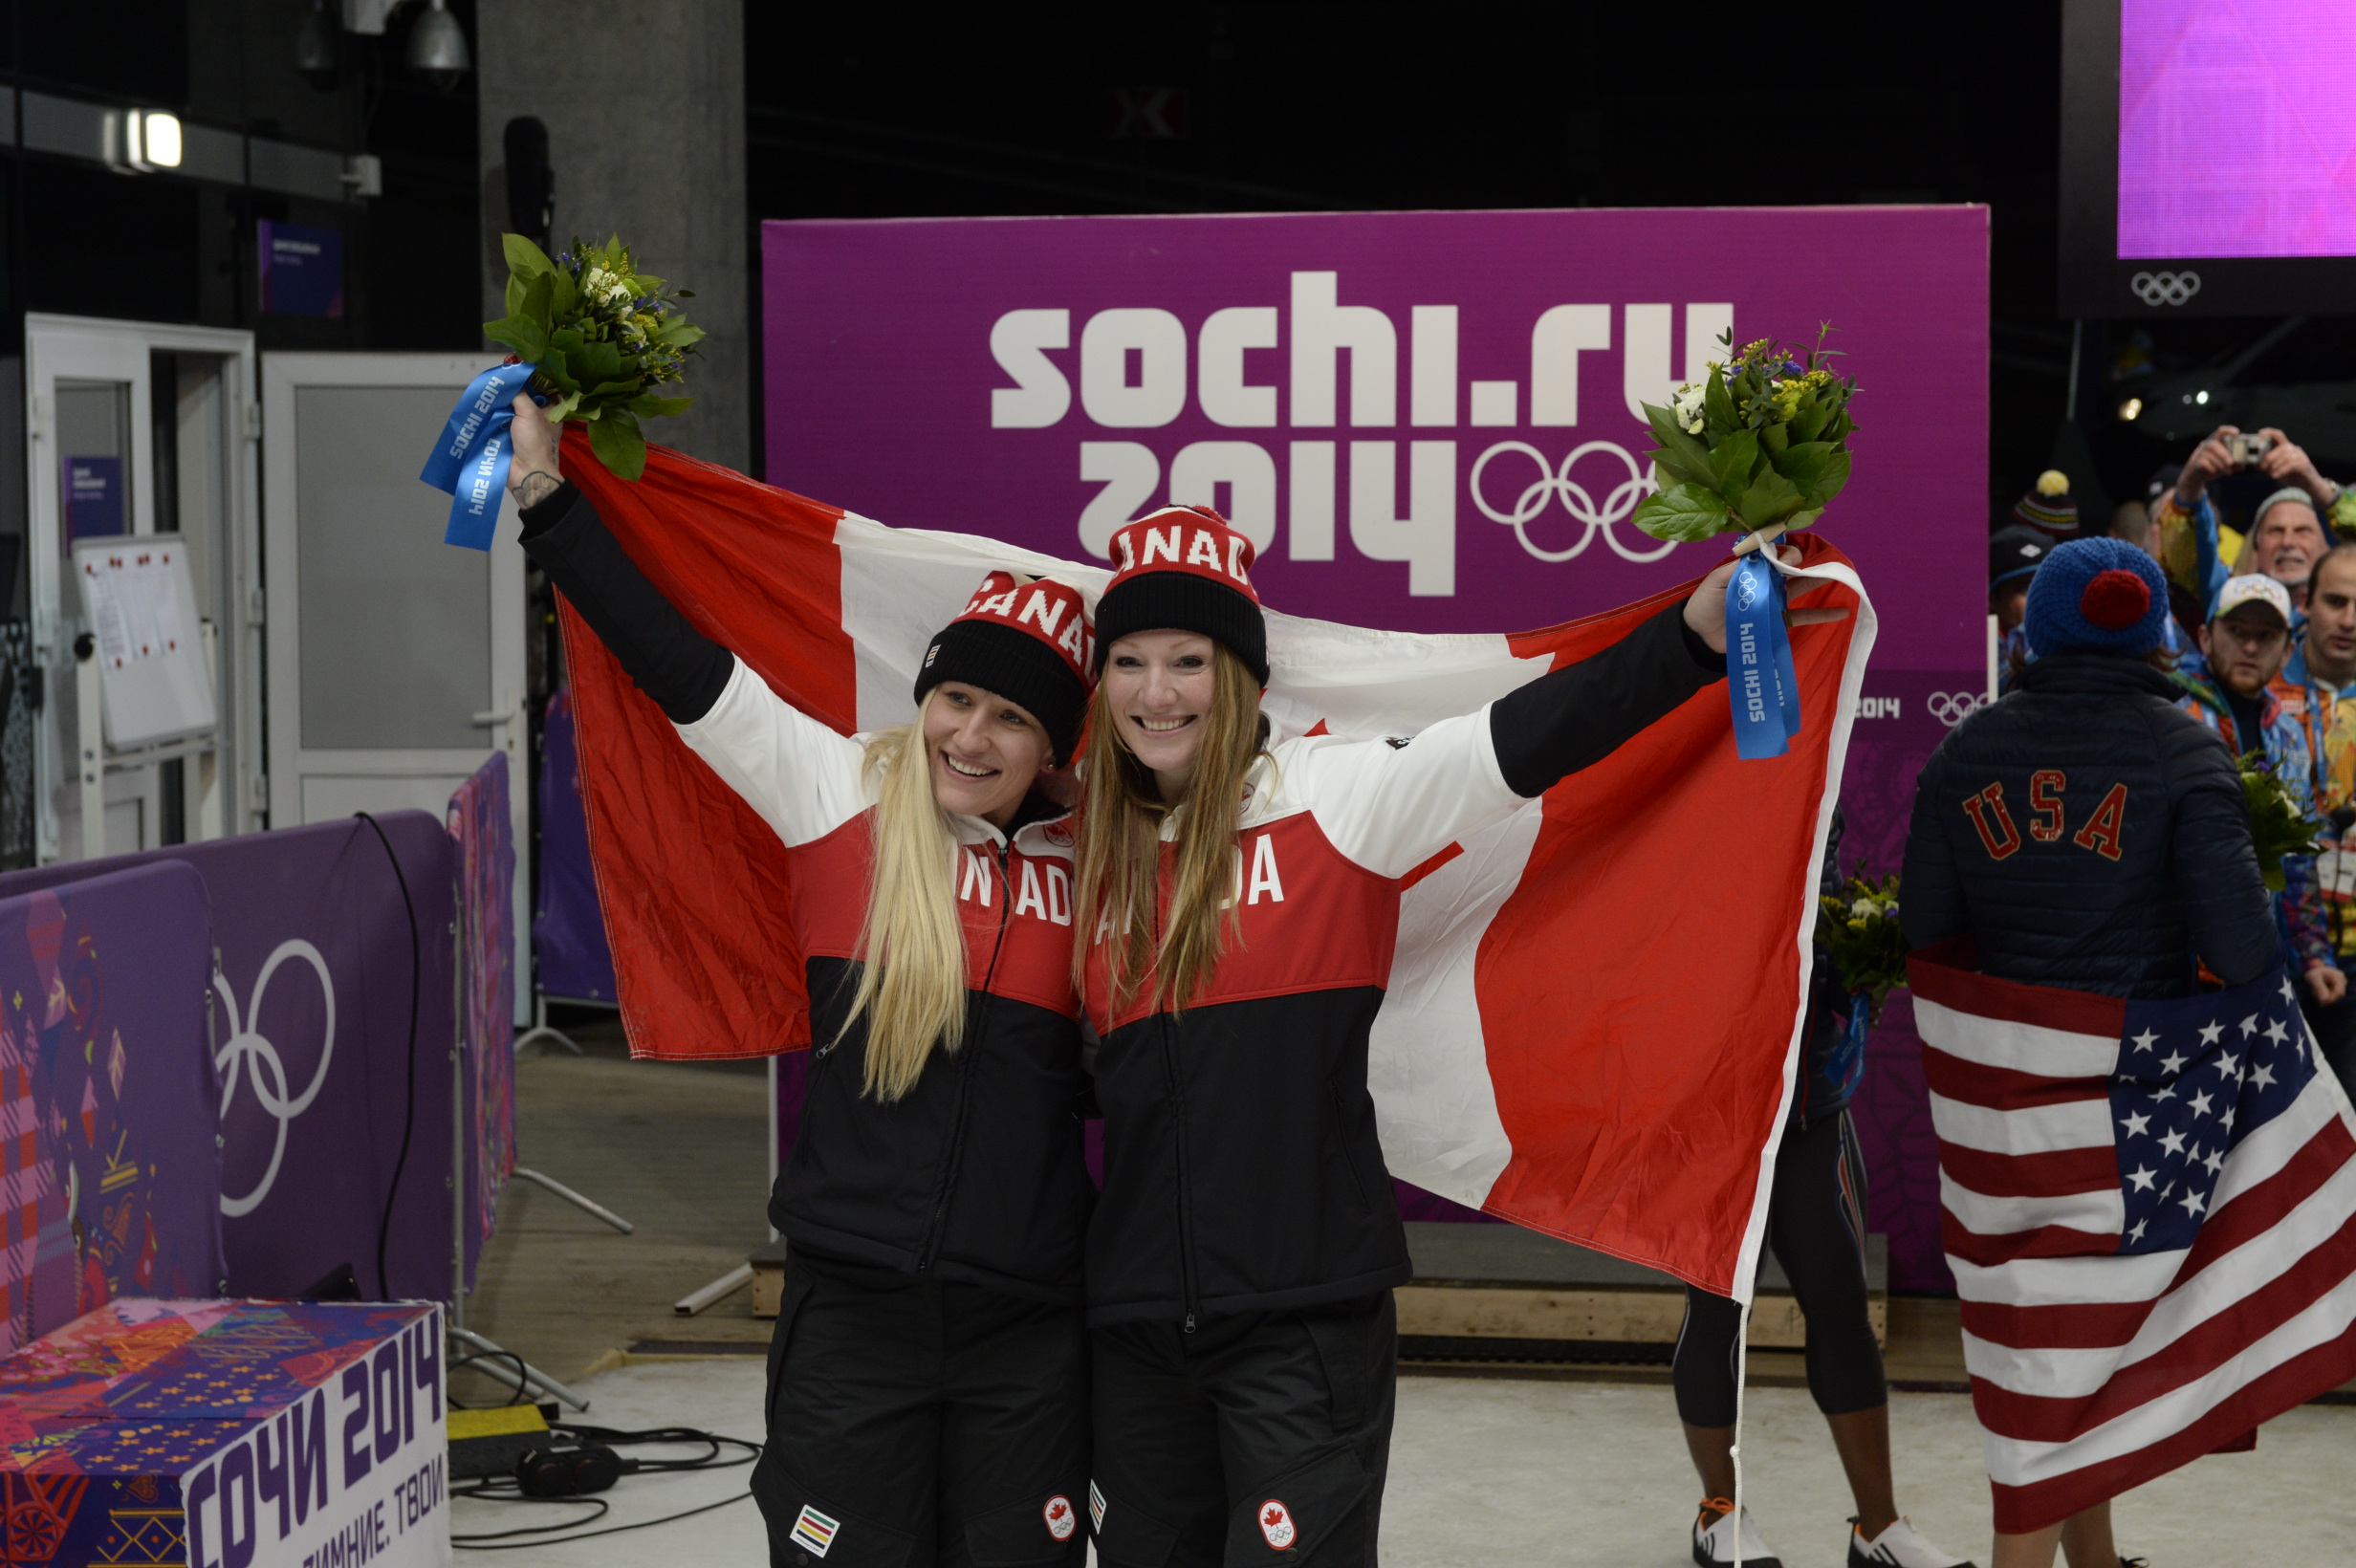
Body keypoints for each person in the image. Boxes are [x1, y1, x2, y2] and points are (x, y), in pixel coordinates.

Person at [1071, 505, 1849, 1567]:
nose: (1155, 692)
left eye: (1187, 660)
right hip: (1136, 1326)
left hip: (1301, 1322)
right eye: (1128, 660)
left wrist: (1692, 636)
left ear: (1242, 676)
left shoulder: (1336, 798)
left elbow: (1529, 736)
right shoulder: (1082, 854)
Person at [501, 397, 1098, 1568]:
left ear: (1055, 748)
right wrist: (546, 500)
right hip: (852, 1322)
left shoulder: (1107, 871)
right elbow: (680, 667)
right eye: (956, 697)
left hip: (1027, 1330)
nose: (970, 735)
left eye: (1012, 716)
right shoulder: (840, 800)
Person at [1900, 536, 2281, 1568]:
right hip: (2137, 1105)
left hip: (2004, 1104)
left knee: (2043, 1348)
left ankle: (2094, 1558)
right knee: (2085, 1349)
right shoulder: (2186, 751)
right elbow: (2243, 947)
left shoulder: (1962, 753)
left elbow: (1924, 933)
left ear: (2038, 629)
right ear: (2158, 631)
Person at [1675, 818, 1974, 1568]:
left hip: (1811, 1097)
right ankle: (1719, 1511)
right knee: (1716, 1307)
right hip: (1713, 1103)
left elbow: (1827, 877)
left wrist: (1858, 947)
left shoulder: (1806, 719)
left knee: (1842, 1304)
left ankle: (1878, 1528)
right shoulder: (1710, 725)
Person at [2171, 575, 2339, 1007]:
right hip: (2179, 964)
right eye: (2237, 632)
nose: (2249, 647)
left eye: (2265, 636)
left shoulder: (2288, 734)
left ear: (2286, 651)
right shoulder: (2173, 718)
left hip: (2262, 960)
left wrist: (2314, 956)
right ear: (2206, 638)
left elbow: (2298, 857)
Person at [2273, 543, 2356, 1088]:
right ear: (2306, 602)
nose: (2350, 620)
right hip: (2279, 956)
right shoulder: (2263, 692)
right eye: (2335, 600)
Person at [2152, 424, 2352, 617]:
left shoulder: (2347, 614)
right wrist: (2190, 485)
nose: (2288, 542)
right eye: (2276, 531)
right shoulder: (2224, 603)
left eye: (2303, 531)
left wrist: (2323, 491)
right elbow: (2184, 565)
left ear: (2326, 546)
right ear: (2256, 547)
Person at [1990, 527, 2047, 694]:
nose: (2037, 599)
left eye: (2043, 587)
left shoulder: (2070, 639)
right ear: (1992, 599)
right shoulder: (1974, 646)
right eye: (2023, 589)